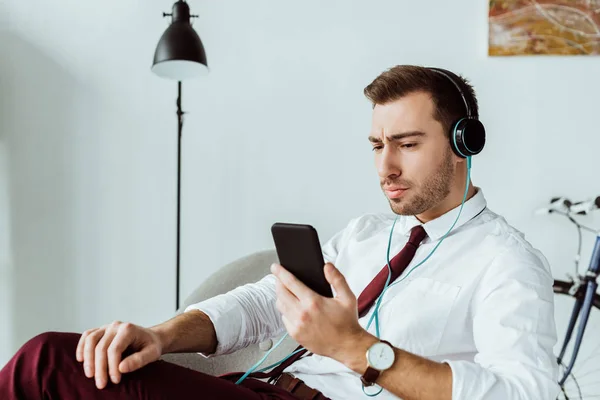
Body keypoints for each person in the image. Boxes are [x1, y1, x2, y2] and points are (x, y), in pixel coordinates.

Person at [0, 65, 560, 400]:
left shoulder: (505, 262)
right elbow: (265, 305)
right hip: (259, 388)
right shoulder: (366, 234)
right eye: (376, 145)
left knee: (46, 364)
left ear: (465, 143)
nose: (384, 166)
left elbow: (526, 394)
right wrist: (164, 335)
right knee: (67, 361)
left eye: (407, 145)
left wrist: (360, 351)